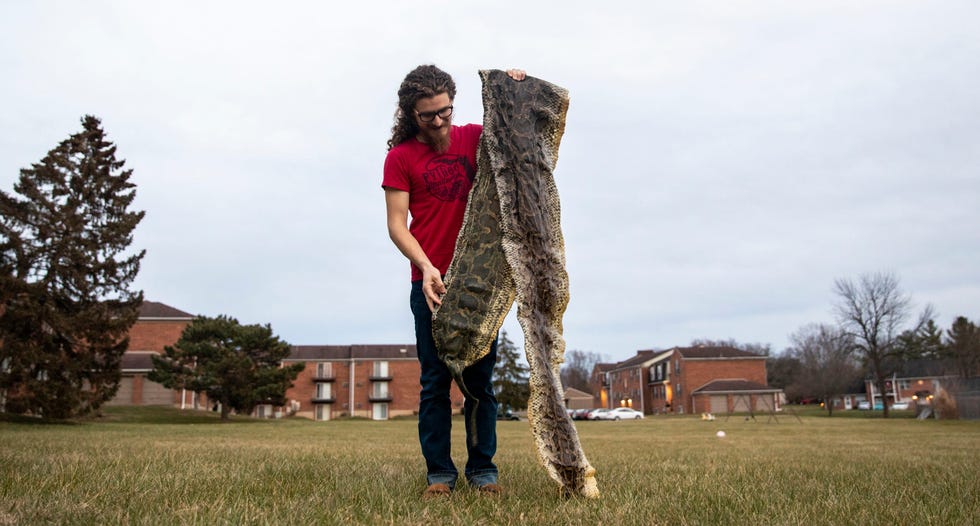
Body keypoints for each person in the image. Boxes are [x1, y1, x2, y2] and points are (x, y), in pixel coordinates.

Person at [382, 65, 525, 498]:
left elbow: (523, 135)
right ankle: (439, 476)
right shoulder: (401, 157)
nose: (440, 122)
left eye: (445, 111)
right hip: (430, 284)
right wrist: (426, 267)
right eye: (428, 116)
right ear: (411, 115)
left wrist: (515, 87)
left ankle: (483, 472)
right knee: (434, 383)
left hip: (480, 283)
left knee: (479, 382)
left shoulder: (476, 137)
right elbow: (396, 225)